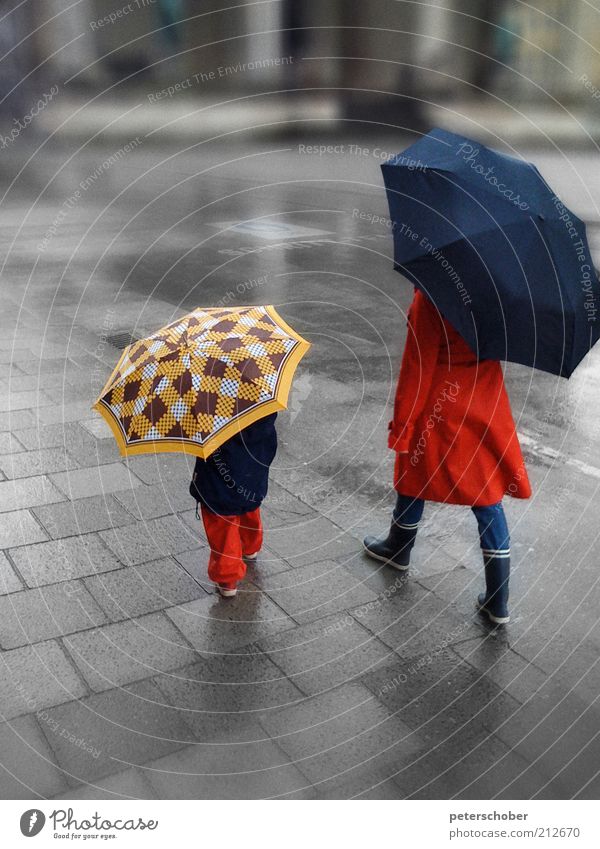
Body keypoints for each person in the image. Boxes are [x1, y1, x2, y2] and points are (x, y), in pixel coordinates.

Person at [363, 288, 531, 624]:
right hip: (485, 400)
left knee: (414, 472)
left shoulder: (432, 295)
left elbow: (418, 366)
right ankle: (498, 600)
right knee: (486, 497)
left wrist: (403, 427)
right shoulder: (501, 290)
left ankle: (399, 548)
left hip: (441, 403)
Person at [190, 413, 277, 597]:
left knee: (222, 522)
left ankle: (228, 579)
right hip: (253, 469)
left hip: (220, 476)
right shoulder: (260, 398)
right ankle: (250, 546)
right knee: (249, 505)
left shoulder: (208, 405)